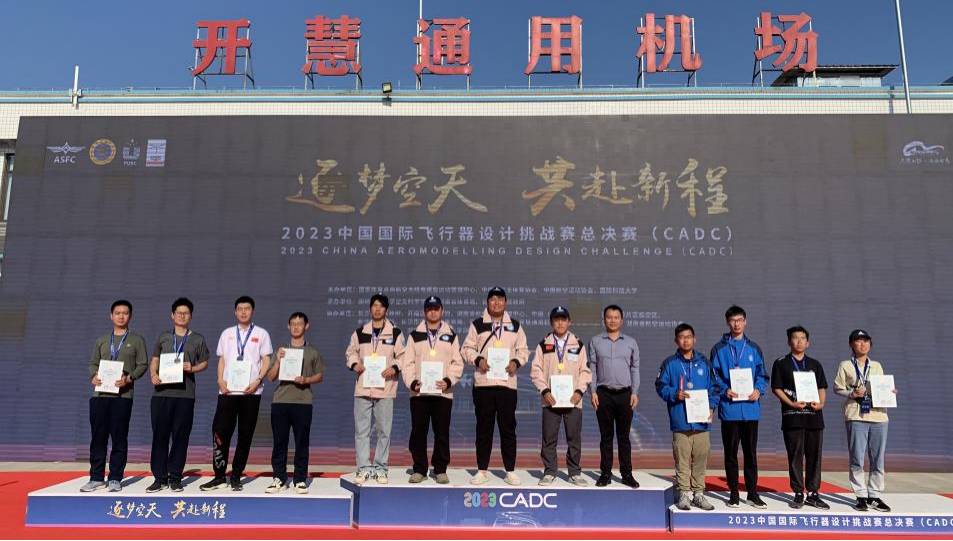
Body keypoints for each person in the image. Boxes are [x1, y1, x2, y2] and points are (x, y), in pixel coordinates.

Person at [200, 296, 273, 492]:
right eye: (240, 309)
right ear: (235, 312)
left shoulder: (261, 334)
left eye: (247, 308)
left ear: (252, 311)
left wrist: (258, 380)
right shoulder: (227, 334)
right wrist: (220, 380)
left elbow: (266, 360)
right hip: (228, 391)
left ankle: (236, 476)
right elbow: (222, 360)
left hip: (251, 392)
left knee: (245, 434)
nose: (243, 312)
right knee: (220, 432)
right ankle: (219, 476)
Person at [461, 287, 530, 486]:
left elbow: (524, 350)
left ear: (505, 302)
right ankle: (482, 470)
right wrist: (478, 359)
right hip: (484, 384)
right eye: (493, 299)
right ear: (487, 302)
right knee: (484, 429)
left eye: (500, 299)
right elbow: (466, 349)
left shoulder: (515, 326)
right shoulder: (477, 324)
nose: (496, 303)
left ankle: (510, 471)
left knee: (508, 429)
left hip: (507, 385)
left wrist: (516, 362)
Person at [81, 300, 149, 493]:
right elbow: (93, 363)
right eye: (117, 313)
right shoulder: (102, 339)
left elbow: (143, 364)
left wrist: (129, 378)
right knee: (98, 437)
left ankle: (115, 478)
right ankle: (96, 477)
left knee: (119, 438)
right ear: (111, 316)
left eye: (125, 313)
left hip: (123, 397)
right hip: (100, 395)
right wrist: (93, 376)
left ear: (130, 316)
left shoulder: (137, 339)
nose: (121, 316)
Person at [146, 298, 210, 493]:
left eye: (186, 313)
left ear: (191, 316)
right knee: (160, 436)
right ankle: (159, 478)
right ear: (172, 315)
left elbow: (205, 362)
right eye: (179, 313)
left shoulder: (197, 339)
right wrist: (153, 374)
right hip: (161, 394)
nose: (182, 316)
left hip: (185, 395)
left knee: (180, 437)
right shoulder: (163, 337)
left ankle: (175, 477)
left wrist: (193, 368)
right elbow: (155, 360)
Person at [710, 305, 769, 509]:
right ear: (728, 322)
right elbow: (714, 376)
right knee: (731, 454)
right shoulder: (718, 349)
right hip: (730, 410)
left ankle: (752, 493)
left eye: (739, 320)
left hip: (751, 409)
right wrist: (724, 389)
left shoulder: (754, 348)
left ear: (745, 322)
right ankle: (734, 493)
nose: (736, 324)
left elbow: (762, 375)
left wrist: (758, 390)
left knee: (751, 454)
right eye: (732, 320)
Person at [402, 296, 464, 484]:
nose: (433, 312)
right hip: (419, 393)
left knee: (442, 433)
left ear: (442, 311)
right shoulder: (414, 335)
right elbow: (407, 364)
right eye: (429, 309)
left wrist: (448, 380)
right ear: (424, 312)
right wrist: (412, 382)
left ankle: (440, 469)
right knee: (418, 433)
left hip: (443, 393)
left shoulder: (451, 335)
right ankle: (419, 469)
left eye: (436, 308)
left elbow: (457, 363)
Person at [656, 323, 718, 511]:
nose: (685, 340)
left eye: (689, 336)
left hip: (701, 421)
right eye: (682, 337)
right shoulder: (669, 363)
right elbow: (660, 386)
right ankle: (684, 493)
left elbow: (714, 388)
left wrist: (711, 408)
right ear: (676, 340)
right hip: (680, 420)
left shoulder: (705, 363)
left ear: (694, 339)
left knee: (700, 458)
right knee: (682, 459)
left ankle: (698, 494)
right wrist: (674, 393)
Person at [833, 329, 896, 513]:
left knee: (878, 458)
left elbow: (881, 387)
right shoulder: (846, 365)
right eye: (859, 341)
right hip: (856, 415)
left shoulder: (876, 365)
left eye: (866, 341)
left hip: (879, 416)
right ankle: (860, 495)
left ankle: (874, 495)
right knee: (857, 458)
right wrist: (851, 393)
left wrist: (889, 392)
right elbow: (837, 388)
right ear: (851, 345)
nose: (863, 344)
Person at [345, 293, 405, 486]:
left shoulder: (395, 333)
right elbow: (350, 353)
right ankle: (363, 467)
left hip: (385, 389)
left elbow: (403, 356)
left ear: (386, 309)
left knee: (384, 431)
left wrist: (394, 367)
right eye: (374, 305)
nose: (377, 309)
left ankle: (380, 468)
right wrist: (354, 364)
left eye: (381, 306)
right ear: (370, 308)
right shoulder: (360, 332)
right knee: (361, 431)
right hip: (363, 389)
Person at [531, 306, 592, 486]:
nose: (560, 323)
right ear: (551, 322)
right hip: (550, 400)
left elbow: (585, 371)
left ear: (569, 322)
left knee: (574, 438)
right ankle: (550, 472)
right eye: (556, 319)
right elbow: (536, 370)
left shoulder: (578, 344)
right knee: (549, 438)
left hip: (573, 400)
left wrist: (579, 391)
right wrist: (544, 390)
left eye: (563, 319)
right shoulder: (543, 345)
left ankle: (574, 473)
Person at [770, 326, 830, 509]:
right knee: (795, 456)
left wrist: (821, 403)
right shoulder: (781, 363)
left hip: (814, 417)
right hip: (793, 416)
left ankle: (813, 493)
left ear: (808, 342)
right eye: (795, 338)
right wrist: (791, 403)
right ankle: (798, 492)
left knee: (814, 457)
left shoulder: (815, 364)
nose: (799, 341)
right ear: (789, 341)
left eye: (803, 338)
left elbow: (822, 387)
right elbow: (776, 388)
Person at [265, 312, 324, 495]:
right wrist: (278, 361)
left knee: (301, 443)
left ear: (306, 326)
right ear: (288, 326)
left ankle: (300, 479)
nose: (296, 326)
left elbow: (319, 375)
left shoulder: (313, 351)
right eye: (293, 323)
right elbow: (271, 377)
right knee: (279, 442)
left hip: (303, 402)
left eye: (300, 323)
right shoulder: (281, 351)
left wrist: (306, 380)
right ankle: (279, 478)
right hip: (280, 401)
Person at [587, 304, 641, 488]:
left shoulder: (631, 342)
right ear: (604, 319)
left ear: (621, 320)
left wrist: (634, 392)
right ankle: (605, 473)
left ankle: (627, 474)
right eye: (609, 317)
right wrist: (593, 391)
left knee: (624, 437)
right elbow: (592, 368)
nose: (612, 320)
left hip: (625, 394)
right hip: (603, 394)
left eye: (616, 317)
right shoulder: (595, 341)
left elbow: (635, 368)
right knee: (606, 436)